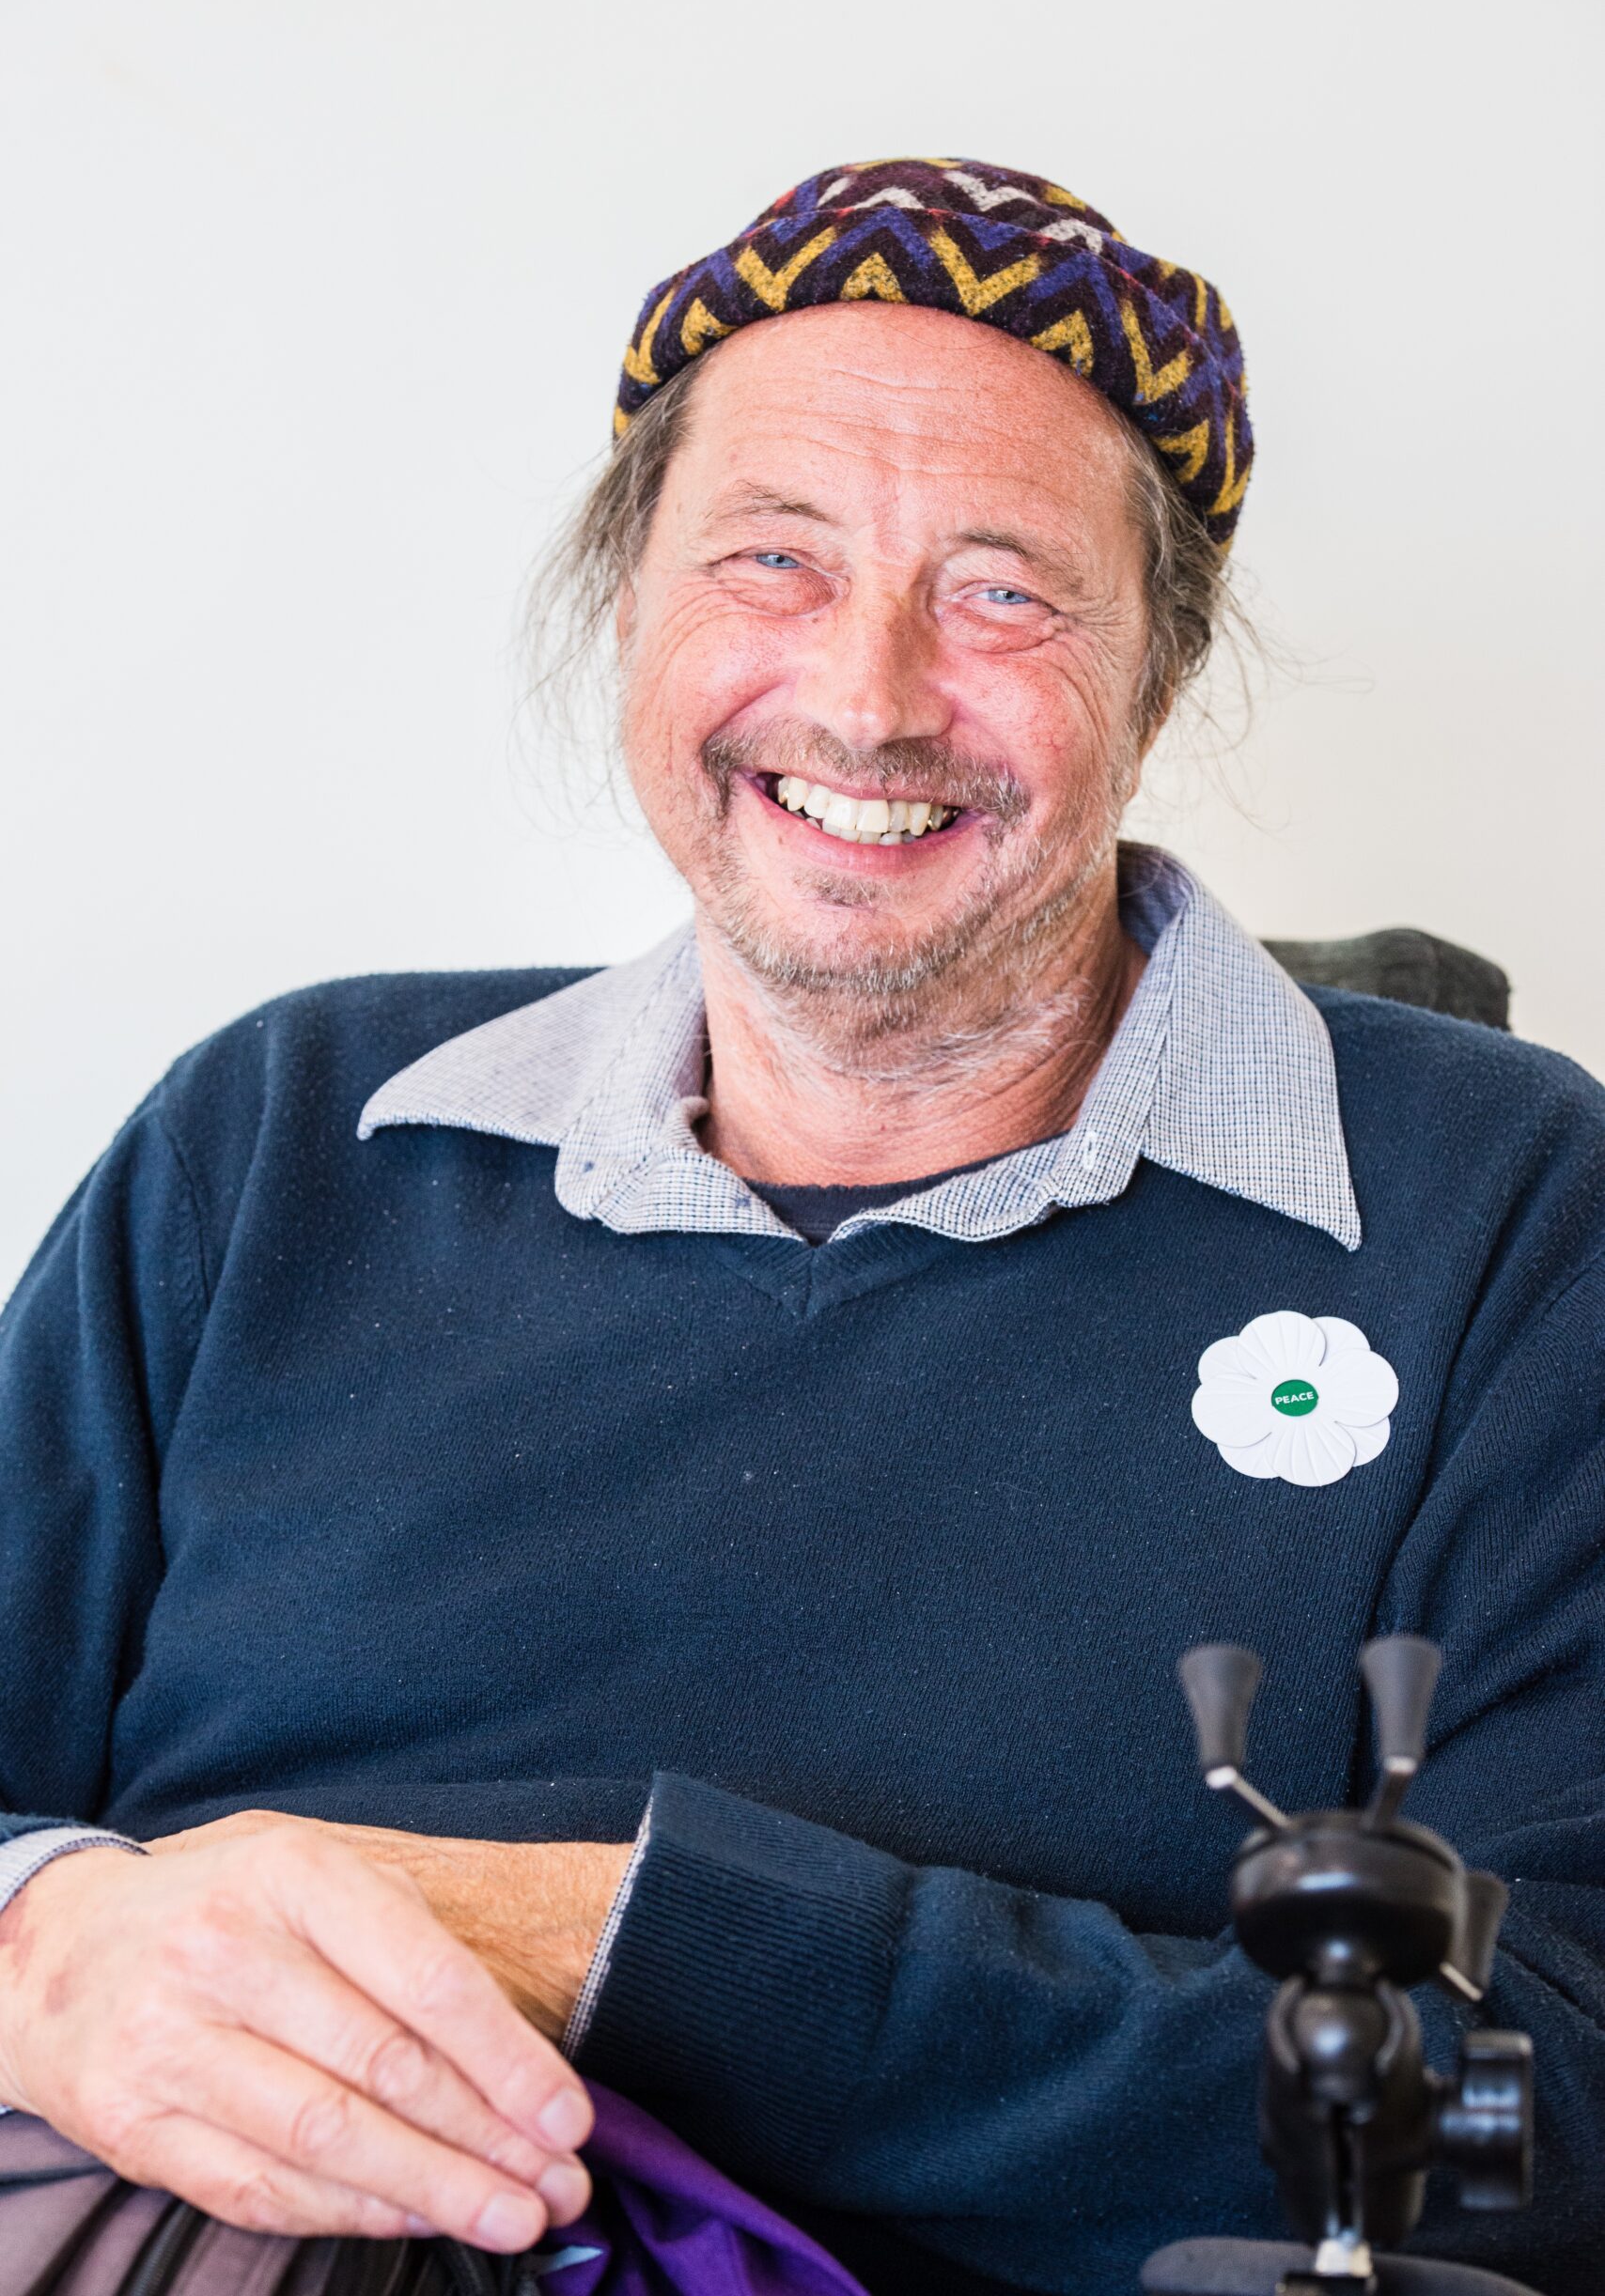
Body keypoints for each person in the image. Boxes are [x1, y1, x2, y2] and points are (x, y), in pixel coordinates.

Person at [0, 156, 1599, 2296]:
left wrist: (616, 1937)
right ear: (632, 607)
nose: (868, 694)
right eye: (770, 557)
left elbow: (1543, 2118)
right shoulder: (284, 1131)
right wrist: (46, 1937)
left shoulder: (1492, 1212)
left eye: (1002, 589)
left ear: (1157, 670)